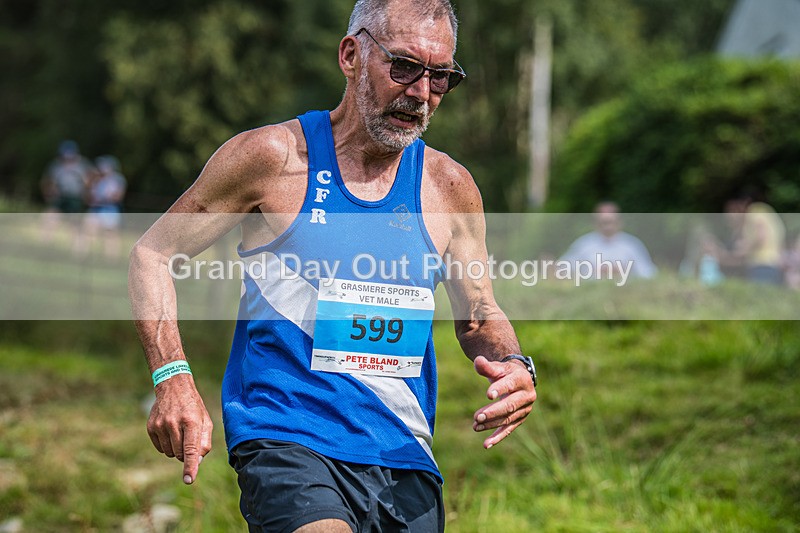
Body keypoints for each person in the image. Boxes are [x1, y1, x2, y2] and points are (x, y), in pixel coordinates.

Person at [128, 1, 537, 532]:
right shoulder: (274, 158)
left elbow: (479, 312)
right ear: (350, 55)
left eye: (440, 78)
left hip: (403, 450)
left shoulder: (449, 187)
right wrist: (172, 377)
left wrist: (515, 366)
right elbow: (153, 253)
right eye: (404, 66)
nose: (420, 92)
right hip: (288, 436)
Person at [559, 201, 657, 282]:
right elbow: (563, 269)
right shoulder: (583, 244)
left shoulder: (632, 245)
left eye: (611, 222)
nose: (607, 227)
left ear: (619, 222)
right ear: (595, 223)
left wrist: (623, 272)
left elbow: (649, 274)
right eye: (604, 222)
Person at [39, 140, 93, 243]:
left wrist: (86, 191)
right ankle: (44, 244)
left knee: (75, 224)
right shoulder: (56, 165)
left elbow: (90, 181)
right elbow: (47, 181)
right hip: (60, 197)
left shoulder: (82, 165)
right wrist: (48, 192)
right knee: (49, 217)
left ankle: (78, 250)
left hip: (75, 198)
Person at [78, 155, 127, 258]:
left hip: (110, 209)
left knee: (110, 235)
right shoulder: (95, 179)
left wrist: (102, 199)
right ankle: (83, 256)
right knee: (87, 231)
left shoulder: (117, 179)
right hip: (95, 209)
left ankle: (111, 259)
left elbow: (117, 196)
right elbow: (87, 195)